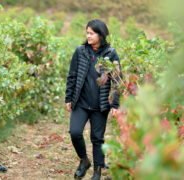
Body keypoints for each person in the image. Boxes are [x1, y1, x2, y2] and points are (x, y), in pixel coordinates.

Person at [65, 19, 122, 180]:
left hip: (100, 105)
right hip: (81, 102)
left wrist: (115, 104)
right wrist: (68, 97)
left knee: (97, 139)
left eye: (91, 33)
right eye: (87, 33)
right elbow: (72, 75)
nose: (88, 36)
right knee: (75, 132)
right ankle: (84, 160)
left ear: (100, 35)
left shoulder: (111, 53)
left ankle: (97, 172)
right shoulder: (80, 51)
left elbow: (118, 79)